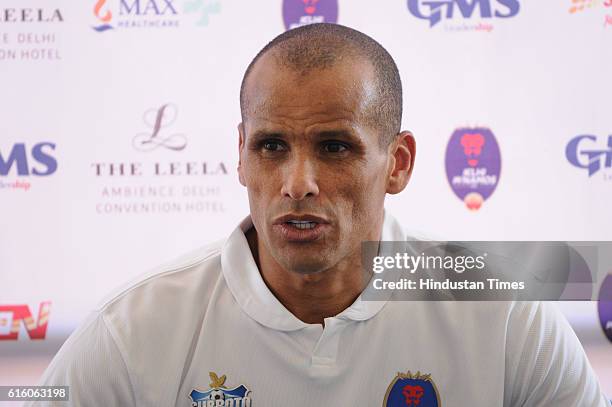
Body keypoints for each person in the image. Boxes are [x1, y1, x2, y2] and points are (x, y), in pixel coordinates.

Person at [30, 23, 610, 407]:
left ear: (398, 163)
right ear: (240, 155)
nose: (298, 185)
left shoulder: (506, 317)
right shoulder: (131, 334)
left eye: (335, 147)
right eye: (271, 146)